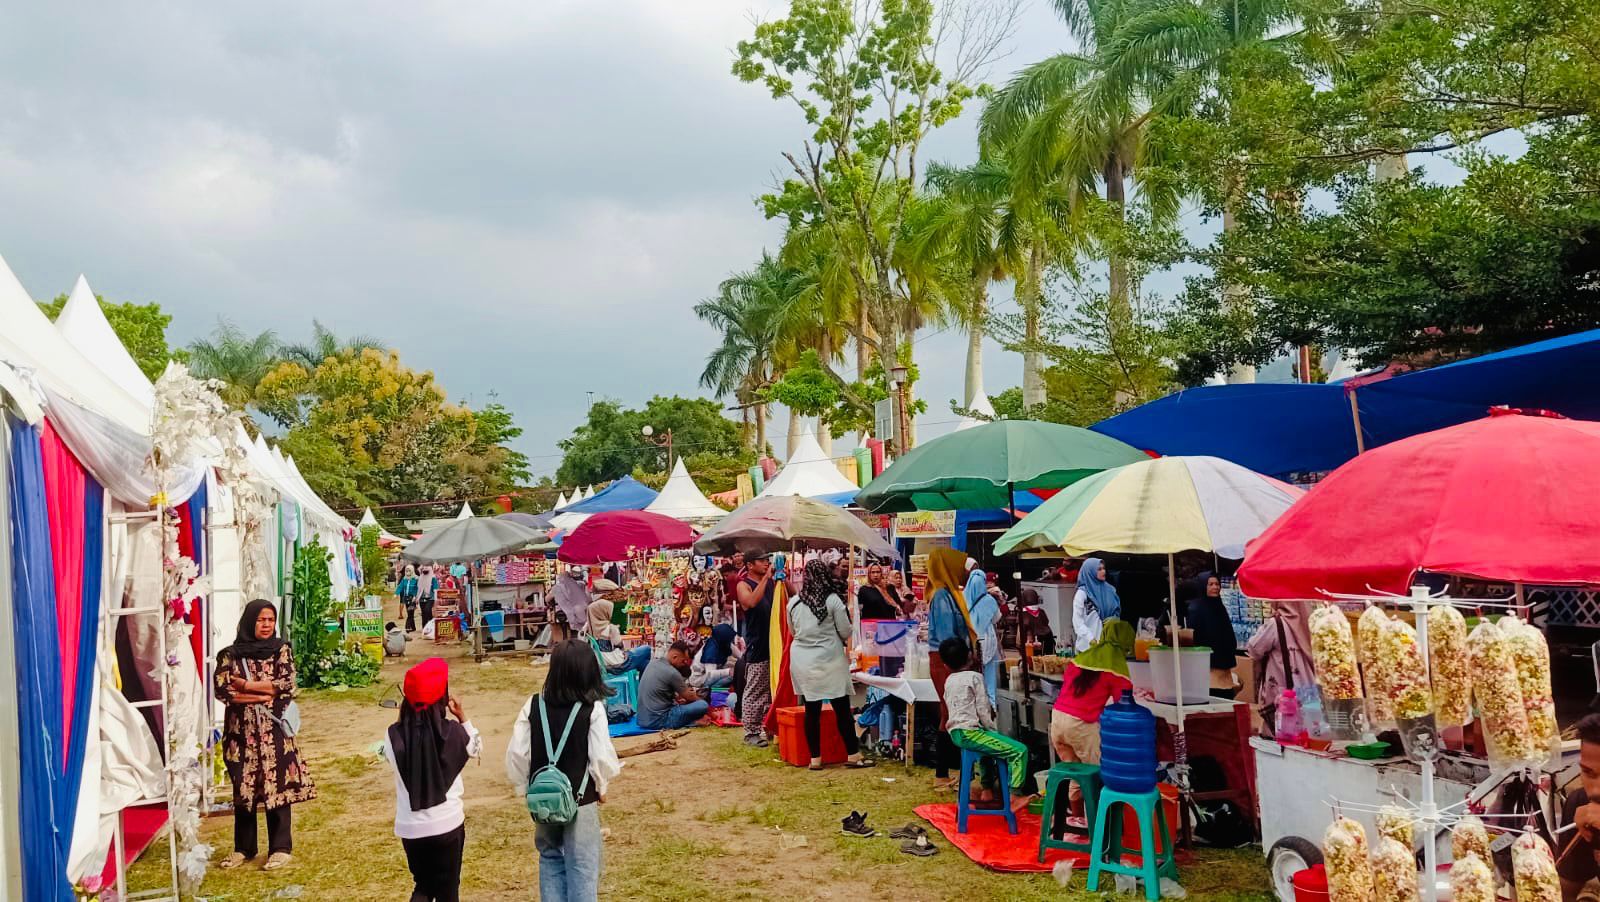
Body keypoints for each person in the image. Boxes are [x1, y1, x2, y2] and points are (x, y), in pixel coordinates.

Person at [507, 639, 623, 902]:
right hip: (581, 800)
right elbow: (601, 757)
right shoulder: (592, 709)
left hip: (542, 798)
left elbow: (518, 753)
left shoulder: (533, 704)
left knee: (549, 856)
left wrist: (524, 787)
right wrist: (601, 787)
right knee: (582, 863)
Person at [213, 600, 316, 871]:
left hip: (274, 733)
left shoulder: (281, 650)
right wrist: (264, 691)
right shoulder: (229, 655)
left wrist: (246, 685)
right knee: (243, 789)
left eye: (271, 619)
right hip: (241, 735)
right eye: (261, 620)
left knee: (277, 786)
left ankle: (280, 847)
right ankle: (243, 848)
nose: (267, 625)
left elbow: (286, 685)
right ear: (249, 621)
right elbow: (224, 691)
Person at [383, 657, 481, 902]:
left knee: (423, 886)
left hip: (410, 827)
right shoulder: (455, 734)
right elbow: (476, 747)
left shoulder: (393, 736)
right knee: (449, 890)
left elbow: (392, 756)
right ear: (443, 698)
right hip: (447, 823)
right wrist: (463, 717)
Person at [788, 558, 875, 770]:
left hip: (802, 660)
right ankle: (853, 754)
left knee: (811, 710)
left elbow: (793, 632)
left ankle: (815, 759)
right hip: (829, 658)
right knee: (842, 710)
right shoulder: (833, 600)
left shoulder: (794, 602)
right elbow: (845, 632)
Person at [1050, 619, 1134, 809]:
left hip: (1057, 720)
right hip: (1081, 726)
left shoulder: (1082, 657)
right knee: (1096, 775)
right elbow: (1125, 702)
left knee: (1078, 773)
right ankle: (1097, 827)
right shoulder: (1116, 665)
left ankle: (1078, 820)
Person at [941, 637, 1029, 806]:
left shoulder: (949, 680)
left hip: (956, 733)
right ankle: (1015, 794)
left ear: (946, 665)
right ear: (970, 656)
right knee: (1020, 751)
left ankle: (987, 790)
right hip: (970, 732)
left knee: (985, 750)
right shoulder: (975, 677)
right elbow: (983, 710)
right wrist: (995, 730)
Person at [925, 548, 980, 786]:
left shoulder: (949, 594)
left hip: (952, 659)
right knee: (950, 713)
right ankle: (943, 774)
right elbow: (949, 637)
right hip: (947, 660)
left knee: (953, 712)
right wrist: (963, 659)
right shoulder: (941, 597)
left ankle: (954, 772)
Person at [1246, 599, 1315, 736]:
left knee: (1283, 736)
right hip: (1307, 688)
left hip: (1284, 690)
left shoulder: (1277, 624)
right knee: (1307, 735)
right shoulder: (1308, 623)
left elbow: (1254, 648)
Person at [1166, 572, 1239, 699]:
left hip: (1223, 669)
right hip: (1206, 669)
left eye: (1217, 584)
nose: (1215, 587)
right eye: (1210, 584)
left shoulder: (1219, 607)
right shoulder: (1196, 609)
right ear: (1202, 586)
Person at [735, 551, 782, 747]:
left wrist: (782, 577)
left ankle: (769, 726)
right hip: (757, 643)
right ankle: (751, 732)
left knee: (773, 689)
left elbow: (794, 595)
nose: (766, 564)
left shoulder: (771, 582)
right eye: (762, 561)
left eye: (767, 561)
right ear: (750, 565)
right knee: (755, 689)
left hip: (775, 642)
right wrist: (767, 579)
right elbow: (750, 602)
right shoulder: (743, 585)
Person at [636, 641, 710, 731]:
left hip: (642, 719)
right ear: (675, 657)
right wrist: (710, 711)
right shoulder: (672, 672)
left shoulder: (652, 663)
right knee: (702, 705)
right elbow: (690, 697)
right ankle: (692, 723)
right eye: (684, 661)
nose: (685, 664)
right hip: (659, 721)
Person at [583, 599, 651, 676]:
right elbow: (620, 645)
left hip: (600, 665)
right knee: (647, 649)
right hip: (617, 665)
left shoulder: (586, 629)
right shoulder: (610, 628)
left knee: (644, 663)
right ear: (603, 613)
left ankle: (639, 685)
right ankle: (643, 685)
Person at [966, 563, 1001, 702]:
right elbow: (997, 618)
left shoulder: (963, 597)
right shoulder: (989, 600)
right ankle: (991, 705)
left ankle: (975, 704)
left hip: (971, 640)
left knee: (973, 675)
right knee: (990, 677)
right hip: (988, 639)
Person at [1072, 557, 1120, 652]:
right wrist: (1090, 638)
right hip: (1087, 647)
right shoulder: (1082, 593)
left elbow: (1117, 612)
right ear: (1090, 572)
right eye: (1099, 569)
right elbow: (1077, 621)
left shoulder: (1110, 590)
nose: (1103, 571)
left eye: (1104, 568)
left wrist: (1113, 620)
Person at [552, 566, 592, 645]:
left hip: (565, 614)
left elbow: (547, 598)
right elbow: (588, 598)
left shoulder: (558, 587)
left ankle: (566, 640)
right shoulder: (581, 585)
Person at [691, 623, 737, 690]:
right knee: (731, 676)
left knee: (733, 668)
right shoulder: (711, 651)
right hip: (699, 679)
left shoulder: (721, 643)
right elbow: (711, 673)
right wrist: (728, 671)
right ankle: (712, 692)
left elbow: (738, 654)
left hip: (707, 674)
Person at [398, 565, 421, 632]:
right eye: (406, 571)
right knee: (410, 613)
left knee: (410, 613)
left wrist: (415, 596)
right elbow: (400, 586)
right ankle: (413, 627)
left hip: (412, 598)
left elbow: (418, 588)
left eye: (409, 570)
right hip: (406, 598)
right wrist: (396, 593)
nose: (407, 572)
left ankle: (407, 627)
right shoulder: (404, 579)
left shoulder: (416, 578)